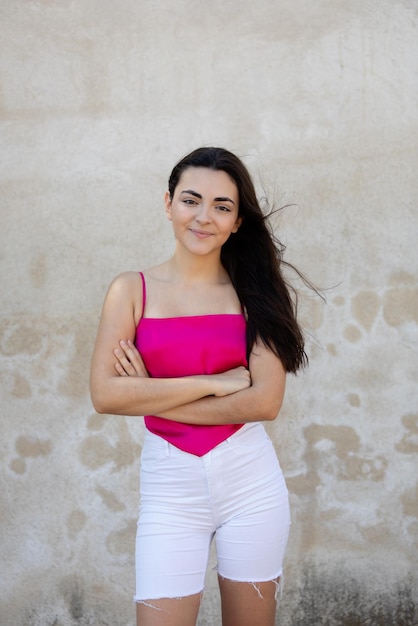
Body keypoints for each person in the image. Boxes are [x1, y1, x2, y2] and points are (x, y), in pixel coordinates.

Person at [90, 147, 307, 626]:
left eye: (222, 207)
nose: (203, 217)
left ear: (237, 222)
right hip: (170, 490)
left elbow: (264, 402)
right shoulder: (130, 289)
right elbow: (106, 395)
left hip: (251, 485)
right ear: (168, 203)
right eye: (191, 200)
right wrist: (211, 383)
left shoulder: (258, 295)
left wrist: (150, 392)